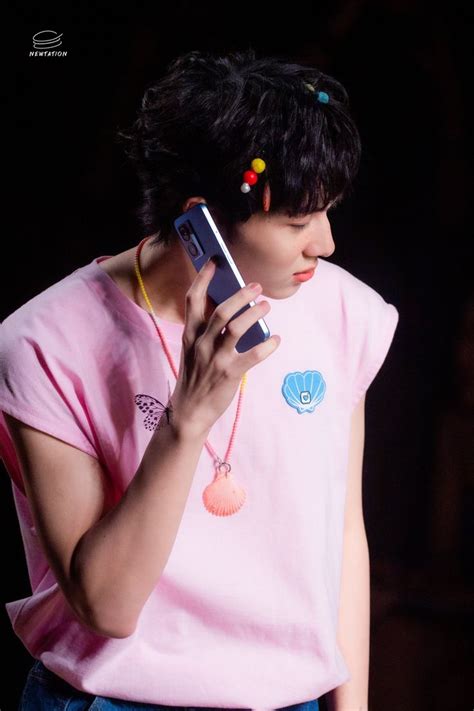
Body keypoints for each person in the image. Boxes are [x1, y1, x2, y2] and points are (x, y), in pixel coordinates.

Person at [0, 48, 399, 710]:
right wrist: (186, 420)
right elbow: (106, 605)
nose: (324, 244)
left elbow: (342, 534)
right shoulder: (42, 344)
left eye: (328, 212)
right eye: (297, 221)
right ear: (199, 221)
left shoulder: (341, 310)